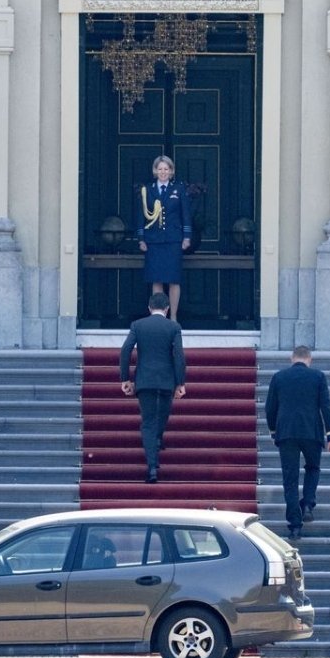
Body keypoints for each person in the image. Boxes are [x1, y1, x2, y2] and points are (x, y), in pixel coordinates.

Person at [264, 345, 330, 540]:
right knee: (313, 468)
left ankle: (295, 526)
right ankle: (307, 504)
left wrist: (273, 431)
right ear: (309, 359)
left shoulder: (279, 377)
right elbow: (326, 406)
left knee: (290, 479)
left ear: (292, 358)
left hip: (287, 433)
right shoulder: (318, 377)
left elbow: (270, 407)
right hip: (311, 431)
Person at [119, 291, 186, 483]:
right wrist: (180, 382)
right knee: (163, 415)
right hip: (166, 380)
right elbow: (179, 355)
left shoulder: (138, 325)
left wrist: (125, 378)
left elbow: (125, 350)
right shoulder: (173, 327)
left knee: (148, 421)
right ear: (167, 309)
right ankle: (155, 448)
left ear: (149, 308)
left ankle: (152, 467)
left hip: (145, 380)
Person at [135, 155, 192, 322]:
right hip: (153, 241)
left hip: (174, 240)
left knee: (174, 279)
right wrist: (141, 238)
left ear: (171, 171)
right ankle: (158, 317)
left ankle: (173, 316)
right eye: (160, 169)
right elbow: (141, 216)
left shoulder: (178, 189)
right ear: (155, 171)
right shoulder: (148, 190)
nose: (163, 172)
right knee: (156, 279)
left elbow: (185, 215)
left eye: (166, 169)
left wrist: (186, 237)